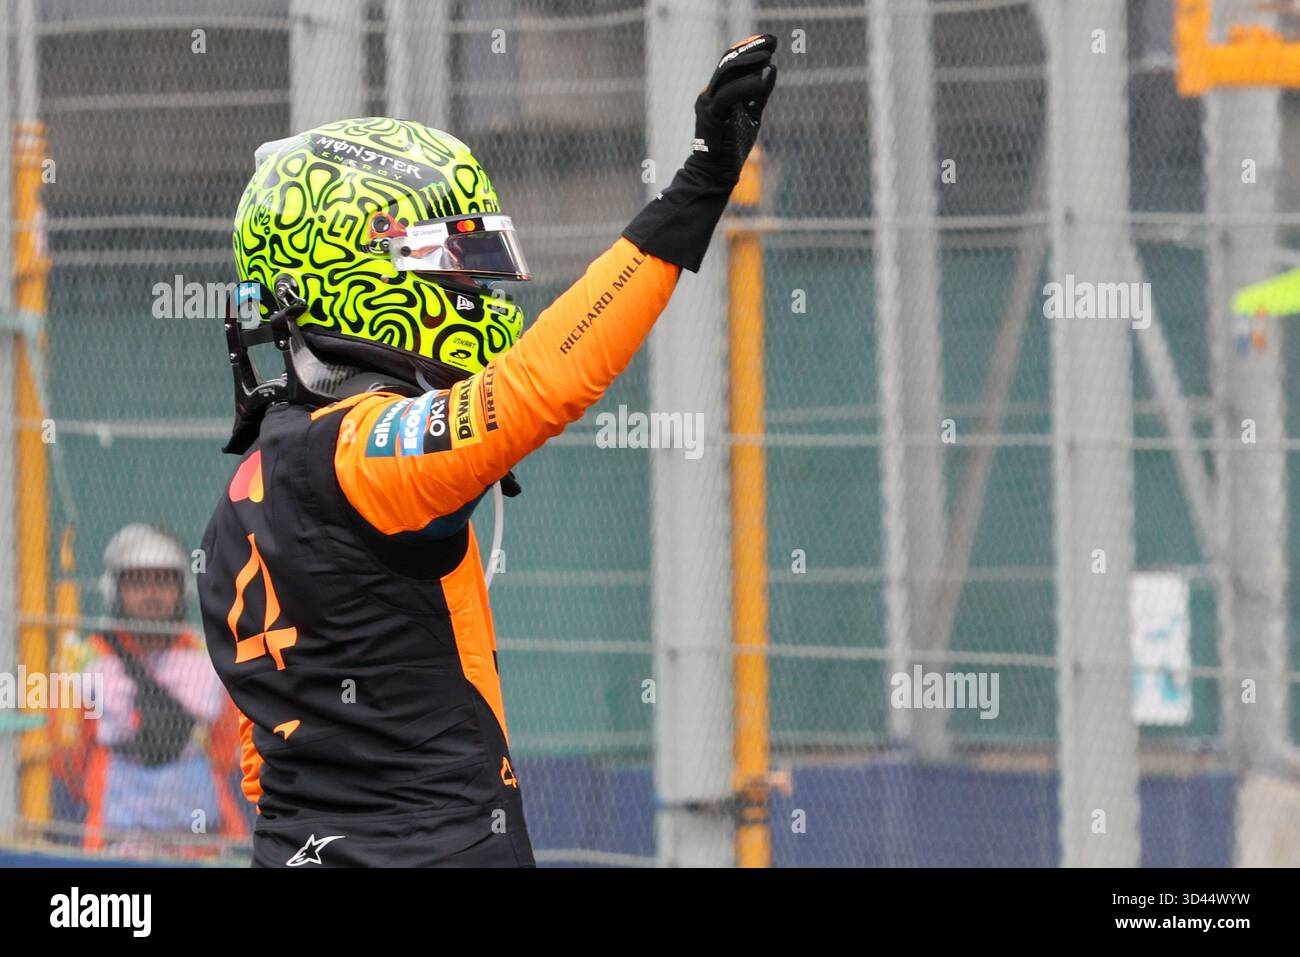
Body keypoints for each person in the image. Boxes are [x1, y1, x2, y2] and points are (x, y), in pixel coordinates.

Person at [198, 35, 778, 867]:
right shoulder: (360, 456)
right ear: (353, 273)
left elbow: (267, 759)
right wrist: (697, 186)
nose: (475, 291)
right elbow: (543, 385)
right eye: (450, 264)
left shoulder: (243, 497)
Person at [54, 523, 247, 858]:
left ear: (181, 588)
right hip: (112, 838)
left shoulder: (208, 658)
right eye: (137, 582)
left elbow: (227, 751)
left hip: (201, 840)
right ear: (115, 590)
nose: (151, 593)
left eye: (163, 581)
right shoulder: (86, 660)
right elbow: (68, 757)